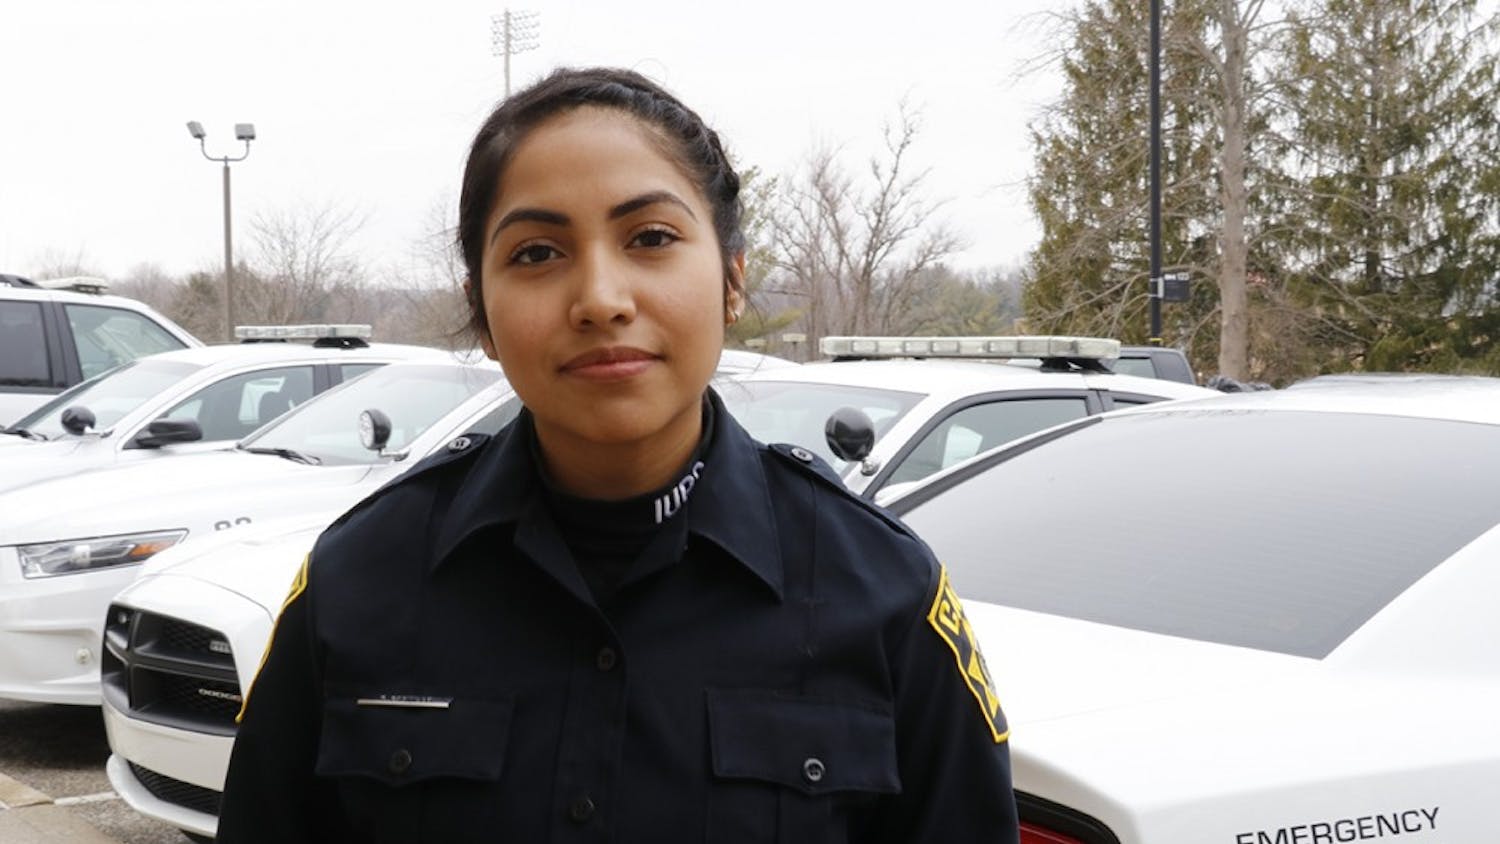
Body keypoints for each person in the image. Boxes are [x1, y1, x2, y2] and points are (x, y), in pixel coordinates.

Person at [217, 66, 1020, 843]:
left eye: (651, 237)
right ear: (482, 313)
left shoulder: (882, 593)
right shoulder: (359, 578)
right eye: (536, 253)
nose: (601, 299)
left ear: (733, 281)